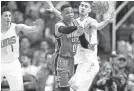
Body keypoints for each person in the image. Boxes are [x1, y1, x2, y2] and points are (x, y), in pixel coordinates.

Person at [47, 1, 114, 91]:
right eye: (81, 5)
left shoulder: (90, 21)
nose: (83, 7)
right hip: (81, 64)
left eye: (86, 6)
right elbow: (62, 15)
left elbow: (98, 26)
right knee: (71, 86)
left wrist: (106, 21)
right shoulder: (75, 22)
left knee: (72, 86)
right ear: (79, 7)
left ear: (90, 10)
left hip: (90, 63)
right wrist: (54, 9)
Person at [1, 6, 43, 91]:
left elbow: (27, 28)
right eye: (6, 16)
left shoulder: (16, 27)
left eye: (9, 15)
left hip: (13, 63)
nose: (8, 18)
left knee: (18, 89)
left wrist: (35, 28)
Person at [51, 4, 83, 91]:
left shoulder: (75, 22)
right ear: (62, 14)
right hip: (60, 59)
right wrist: (77, 27)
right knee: (62, 88)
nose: (71, 14)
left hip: (71, 59)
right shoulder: (59, 25)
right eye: (68, 13)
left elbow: (64, 15)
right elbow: (64, 29)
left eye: (72, 12)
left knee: (70, 86)